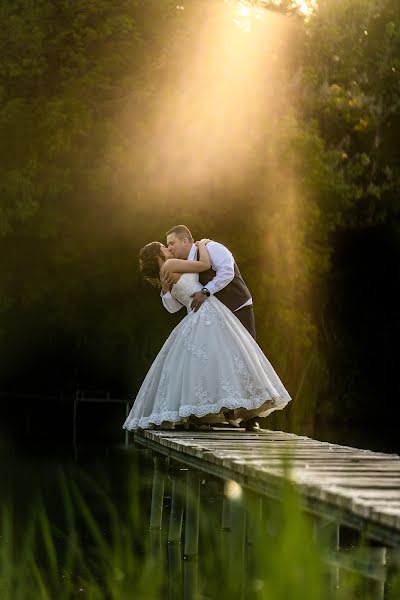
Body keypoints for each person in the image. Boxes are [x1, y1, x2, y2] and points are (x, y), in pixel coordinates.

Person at [123, 236, 291, 432]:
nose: (168, 249)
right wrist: (202, 244)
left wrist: (165, 290)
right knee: (226, 359)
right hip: (207, 311)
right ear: (159, 254)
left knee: (201, 366)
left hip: (195, 315)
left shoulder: (165, 273)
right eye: (164, 247)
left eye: (169, 245)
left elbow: (172, 308)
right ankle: (229, 411)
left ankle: (201, 415)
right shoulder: (171, 263)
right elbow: (203, 264)